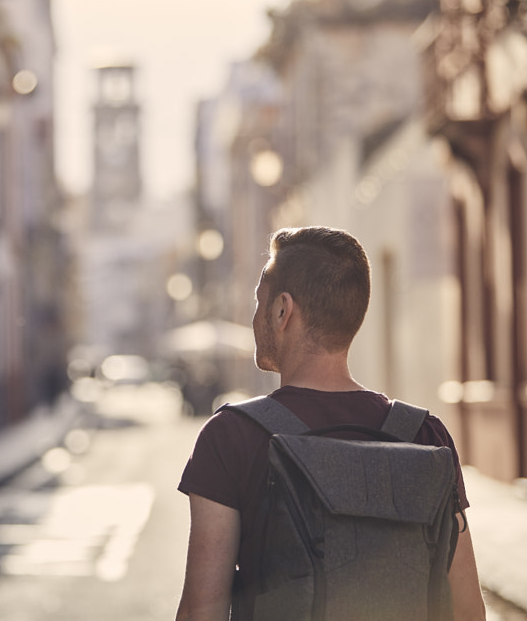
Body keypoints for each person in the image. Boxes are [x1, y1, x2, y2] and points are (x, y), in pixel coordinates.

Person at [175, 226, 486, 621]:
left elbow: (203, 610)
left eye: (260, 302)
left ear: (282, 310)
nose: (255, 316)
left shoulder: (232, 436)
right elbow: (468, 610)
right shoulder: (424, 435)